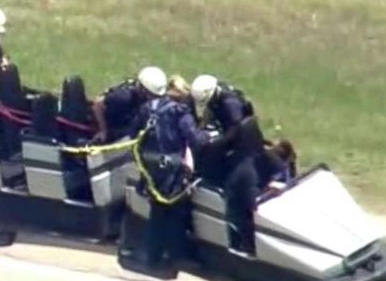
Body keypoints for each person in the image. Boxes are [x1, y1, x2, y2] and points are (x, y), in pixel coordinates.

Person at [130, 75, 212, 269]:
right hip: (169, 169)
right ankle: (164, 256)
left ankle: (155, 254)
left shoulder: (147, 109)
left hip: (149, 166)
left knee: (158, 210)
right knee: (170, 213)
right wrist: (208, 135)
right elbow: (195, 140)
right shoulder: (179, 112)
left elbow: (134, 133)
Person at [190, 74, 260, 255]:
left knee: (234, 191)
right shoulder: (219, 97)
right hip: (238, 149)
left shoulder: (230, 104)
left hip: (243, 152)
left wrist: (217, 144)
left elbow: (237, 130)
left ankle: (242, 241)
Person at [91, 66, 168, 144]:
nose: (154, 99)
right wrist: (103, 131)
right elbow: (98, 104)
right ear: (142, 89)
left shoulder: (150, 99)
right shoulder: (123, 97)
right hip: (116, 126)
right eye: (151, 95)